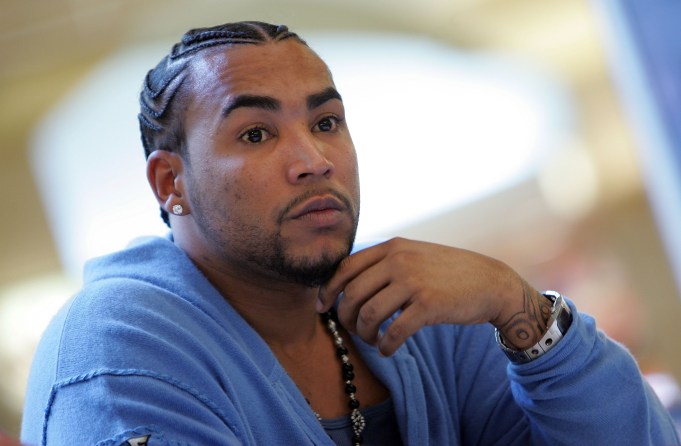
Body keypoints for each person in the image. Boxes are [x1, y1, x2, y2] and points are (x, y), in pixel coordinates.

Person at [20, 21, 680, 446]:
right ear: (171, 184)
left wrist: (521, 310)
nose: (314, 158)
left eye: (327, 122)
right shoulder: (115, 345)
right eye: (255, 133)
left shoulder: (419, 314)